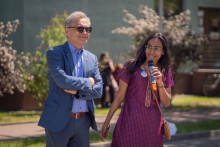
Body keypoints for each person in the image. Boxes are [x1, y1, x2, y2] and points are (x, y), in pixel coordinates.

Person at [38, 11, 103, 147]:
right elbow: (62, 81)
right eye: (80, 28)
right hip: (58, 121)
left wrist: (78, 93)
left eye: (88, 29)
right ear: (67, 31)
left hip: (83, 122)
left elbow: (99, 90)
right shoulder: (55, 53)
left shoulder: (91, 58)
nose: (84, 32)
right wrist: (88, 82)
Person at [99, 33, 174, 147]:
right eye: (149, 47)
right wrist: (106, 122)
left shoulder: (165, 70)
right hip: (129, 124)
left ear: (163, 51)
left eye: (156, 48)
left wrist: (160, 83)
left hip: (152, 128)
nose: (151, 51)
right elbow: (119, 96)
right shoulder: (131, 66)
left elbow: (166, 102)